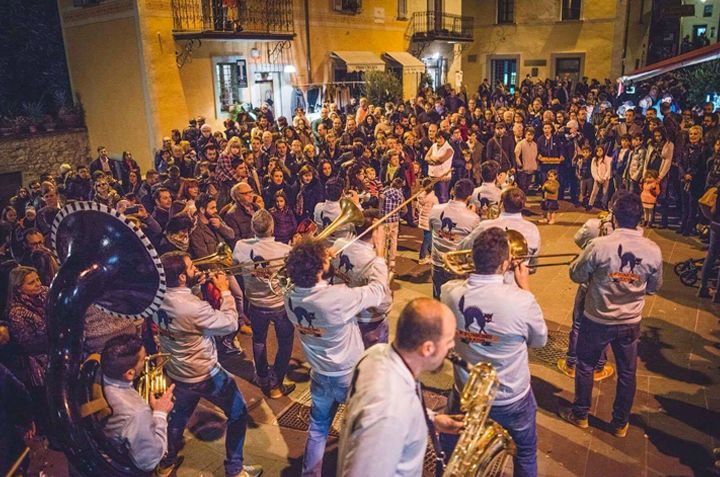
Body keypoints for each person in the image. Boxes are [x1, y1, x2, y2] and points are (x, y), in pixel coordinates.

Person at [441, 227, 547, 477]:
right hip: (511, 398)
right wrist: (525, 288)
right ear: (505, 263)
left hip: (467, 392)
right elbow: (539, 340)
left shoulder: (449, 292)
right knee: (525, 452)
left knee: (451, 448)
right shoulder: (522, 301)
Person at [284, 238, 389, 477]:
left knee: (318, 428)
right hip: (349, 375)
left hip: (320, 373)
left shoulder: (289, 297)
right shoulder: (337, 297)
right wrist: (379, 256)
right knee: (360, 429)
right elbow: (377, 291)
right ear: (319, 268)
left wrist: (321, 262)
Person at [561, 193, 663, 438]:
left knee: (585, 365)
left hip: (597, 318)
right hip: (630, 322)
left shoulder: (599, 245)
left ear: (614, 217)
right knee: (627, 372)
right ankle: (620, 423)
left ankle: (581, 414)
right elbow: (653, 287)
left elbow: (576, 275)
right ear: (640, 219)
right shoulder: (653, 250)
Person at [154, 252, 262, 477]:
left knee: (178, 417)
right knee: (238, 412)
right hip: (204, 372)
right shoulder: (192, 307)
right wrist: (224, 291)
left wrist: (194, 288)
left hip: (177, 370)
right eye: (192, 266)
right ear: (182, 277)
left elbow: (184, 315)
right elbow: (229, 324)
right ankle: (234, 469)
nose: (196, 268)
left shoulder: (156, 296)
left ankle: (166, 462)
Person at [336, 298, 463, 476]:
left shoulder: (376, 353)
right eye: (449, 341)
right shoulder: (390, 413)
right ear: (427, 348)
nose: (452, 347)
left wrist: (431, 420)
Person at [233, 210, 296, 399]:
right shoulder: (284, 250)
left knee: (259, 339)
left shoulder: (240, 246)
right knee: (285, 343)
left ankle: (261, 376)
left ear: (253, 228)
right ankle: (276, 385)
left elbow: (236, 263)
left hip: (256, 303)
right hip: (279, 304)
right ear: (272, 227)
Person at [101, 334, 175, 472]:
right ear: (129, 373)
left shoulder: (100, 373)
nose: (147, 360)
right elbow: (149, 461)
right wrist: (160, 413)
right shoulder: (136, 413)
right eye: (143, 359)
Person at [332, 209, 392, 348]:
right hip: (367, 321)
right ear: (376, 232)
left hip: (342, 312)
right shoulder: (374, 261)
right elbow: (383, 304)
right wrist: (381, 251)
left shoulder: (339, 244)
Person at [459, 187, 541, 285]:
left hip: (488, 286)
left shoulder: (485, 226)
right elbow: (532, 264)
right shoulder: (533, 229)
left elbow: (462, 248)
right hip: (516, 286)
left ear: (501, 204)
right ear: (523, 206)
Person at [428, 179, 480, 299]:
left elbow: (431, 228)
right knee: (456, 301)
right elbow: (474, 242)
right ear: (469, 196)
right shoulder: (473, 218)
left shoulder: (435, 209)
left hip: (437, 262)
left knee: (437, 297)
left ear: (452, 191)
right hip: (457, 265)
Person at [377, 177, 405, 272]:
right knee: (393, 241)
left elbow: (380, 207)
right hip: (395, 221)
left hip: (385, 220)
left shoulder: (385, 193)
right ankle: (392, 261)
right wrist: (399, 215)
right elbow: (405, 210)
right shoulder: (400, 195)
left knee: (383, 241)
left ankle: (383, 259)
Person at [425, 131, 454, 203]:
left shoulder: (449, 149)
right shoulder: (433, 146)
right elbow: (426, 158)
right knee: (433, 197)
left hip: (442, 177)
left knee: (442, 197)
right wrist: (435, 160)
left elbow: (441, 160)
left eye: (440, 138)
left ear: (444, 138)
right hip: (431, 176)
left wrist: (432, 157)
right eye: (437, 138)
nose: (438, 140)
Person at [416, 177, 438, 265]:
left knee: (429, 237)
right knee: (427, 239)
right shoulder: (433, 198)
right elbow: (437, 209)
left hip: (422, 219)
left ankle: (431, 254)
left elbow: (418, 206)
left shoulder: (420, 196)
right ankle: (422, 257)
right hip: (429, 220)